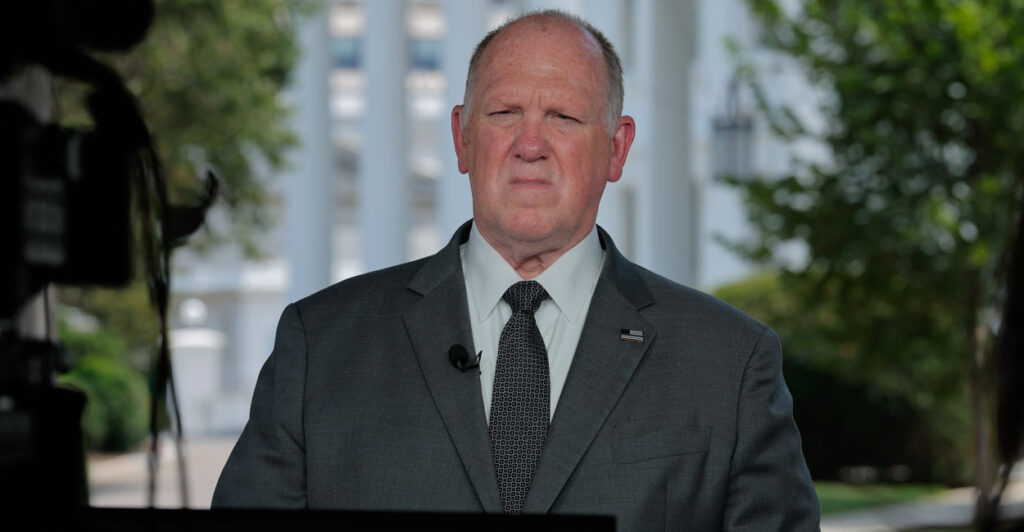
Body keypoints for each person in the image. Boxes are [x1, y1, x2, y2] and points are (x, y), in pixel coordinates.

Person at [213, 10, 820, 530]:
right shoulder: (320, 345)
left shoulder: (730, 363)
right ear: (461, 139)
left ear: (617, 148)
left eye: (563, 117)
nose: (531, 144)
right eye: (504, 113)